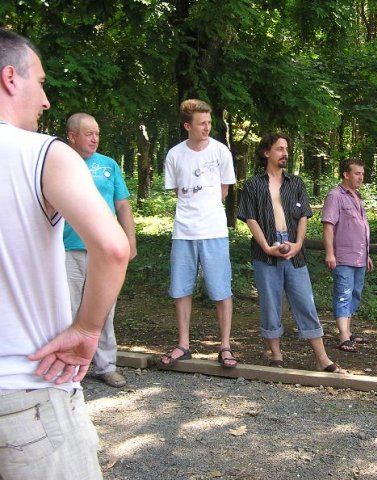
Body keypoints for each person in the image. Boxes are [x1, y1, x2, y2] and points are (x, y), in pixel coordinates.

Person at [0, 29, 129, 479]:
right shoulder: (42, 154)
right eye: (41, 82)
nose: (46, 100)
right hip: (27, 389)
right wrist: (86, 327)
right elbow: (114, 248)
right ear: (10, 78)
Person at [237, 133, 346, 373]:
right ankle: (276, 356)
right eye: (279, 149)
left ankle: (322, 358)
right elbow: (250, 217)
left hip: (294, 250)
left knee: (305, 302)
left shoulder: (296, 183)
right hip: (265, 250)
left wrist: (298, 244)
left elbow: (305, 215)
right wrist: (266, 246)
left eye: (286, 148)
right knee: (270, 304)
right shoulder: (253, 185)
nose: (285, 153)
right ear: (267, 153)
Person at [160, 99, 238, 368]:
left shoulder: (221, 152)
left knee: (221, 290)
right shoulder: (174, 155)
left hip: (214, 230)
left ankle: (225, 346)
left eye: (209, 122)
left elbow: (224, 191)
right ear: (187, 126)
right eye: (202, 123)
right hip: (183, 231)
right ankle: (183, 344)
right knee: (181, 290)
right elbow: (176, 191)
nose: (207, 127)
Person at [64, 113, 137, 388]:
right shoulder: (59, 162)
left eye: (97, 133)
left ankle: (106, 365)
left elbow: (123, 205)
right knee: (68, 309)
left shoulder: (108, 165)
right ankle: (70, 369)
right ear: (72, 136)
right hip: (68, 248)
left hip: (104, 251)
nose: (95, 138)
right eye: (88, 133)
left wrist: (130, 239)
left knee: (105, 309)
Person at [321, 158, 373, 352]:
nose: (361, 177)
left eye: (362, 174)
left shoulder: (357, 197)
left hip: (359, 256)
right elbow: (328, 226)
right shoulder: (335, 196)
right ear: (346, 174)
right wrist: (329, 253)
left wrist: (366, 255)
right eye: (357, 173)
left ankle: (348, 332)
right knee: (343, 294)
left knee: (354, 294)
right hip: (342, 256)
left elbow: (360, 229)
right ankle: (343, 337)